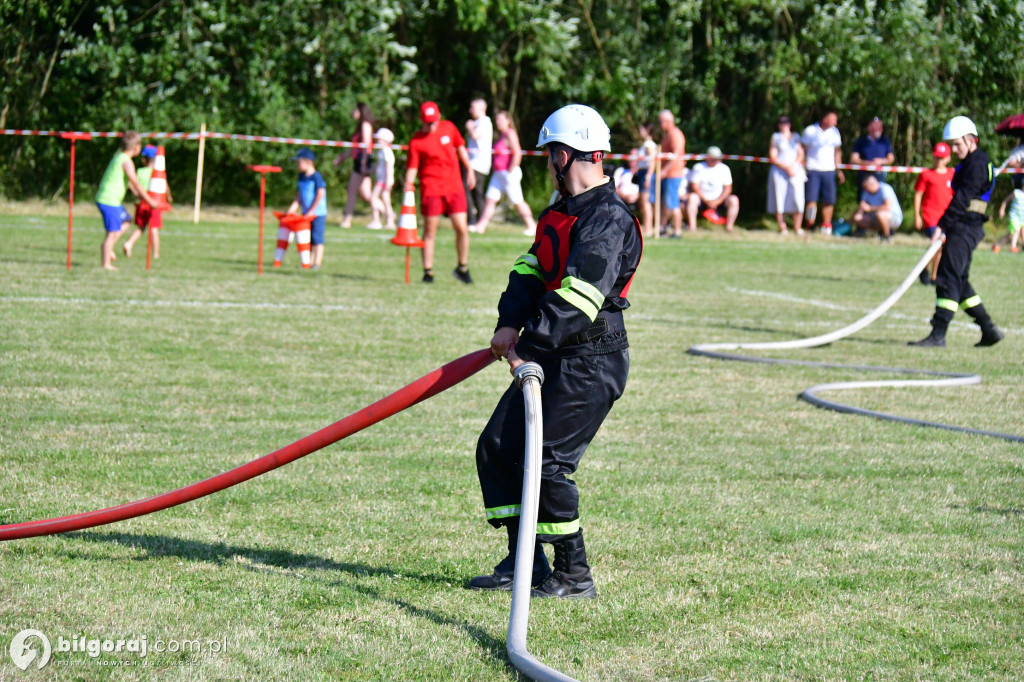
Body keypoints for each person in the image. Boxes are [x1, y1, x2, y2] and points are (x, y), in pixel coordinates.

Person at [470, 104, 642, 599]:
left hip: (591, 358)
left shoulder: (608, 220)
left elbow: (579, 298)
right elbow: (530, 270)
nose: (548, 165)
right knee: (500, 448)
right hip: (551, 352)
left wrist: (526, 344)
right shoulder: (560, 212)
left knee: (548, 462)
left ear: (565, 155)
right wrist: (508, 321)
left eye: (550, 156)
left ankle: (574, 573)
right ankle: (526, 562)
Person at [909, 116, 1003, 348]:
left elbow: (962, 199)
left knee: (947, 277)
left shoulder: (978, 164)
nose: (954, 149)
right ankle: (988, 329)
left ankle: (938, 333)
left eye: (957, 144)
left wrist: (942, 225)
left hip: (966, 226)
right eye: (952, 145)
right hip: (963, 224)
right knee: (959, 281)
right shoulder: (971, 162)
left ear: (972, 140)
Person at [404, 100, 476, 284]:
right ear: (422, 121)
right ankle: (428, 272)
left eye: (434, 121)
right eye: (428, 122)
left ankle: (462, 267)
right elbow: (412, 167)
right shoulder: (416, 141)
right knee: (430, 231)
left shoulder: (449, 128)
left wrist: (470, 170)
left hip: (454, 186)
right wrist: (408, 184)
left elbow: (461, 148)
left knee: (461, 228)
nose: (432, 125)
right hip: (431, 188)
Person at [95, 131, 158, 270]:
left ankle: (109, 247)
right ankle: (106, 263)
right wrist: (150, 201)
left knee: (126, 221)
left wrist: (139, 195)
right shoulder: (126, 162)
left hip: (111, 200)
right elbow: (135, 181)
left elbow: (129, 183)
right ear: (136, 147)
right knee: (111, 232)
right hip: (108, 200)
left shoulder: (119, 157)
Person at [471, 110, 537, 236]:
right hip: (498, 174)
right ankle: (481, 226)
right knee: (490, 199)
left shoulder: (510, 134)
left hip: (508, 174)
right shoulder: (501, 135)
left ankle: (531, 225)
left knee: (517, 201)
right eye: (497, 120)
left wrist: (511, 170)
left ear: (508, 120)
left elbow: (517, 152)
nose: (498, 122)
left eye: (501, 119)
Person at [913, 142, 955, 283]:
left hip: (946, 216)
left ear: (948, 158)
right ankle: (929, 272)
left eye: (942, 158)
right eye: (937, 157)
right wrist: (917, 215)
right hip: (930, 216)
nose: (939, 161)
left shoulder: (952, 174)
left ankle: (932, 274)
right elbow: (918, 194)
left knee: (941, 247)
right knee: (937, 244)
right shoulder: (926, 174)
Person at [122, 145, 171, 259]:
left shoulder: (139, 171)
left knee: (141, 227)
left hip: (141, 204)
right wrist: (168, 196)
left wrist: (136, 193)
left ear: (144, 159)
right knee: (153, 228)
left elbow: (132, 183)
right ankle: (156, 254)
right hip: (154, 204)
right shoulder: (158, 172)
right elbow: (164, 185)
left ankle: (129, 243)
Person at [802, 109, 845, 235]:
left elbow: (837, 151)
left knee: (829, 199)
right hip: (813, 169)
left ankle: (826, 226)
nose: (835, 122)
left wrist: (839, 170)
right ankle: (809, 224)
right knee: (812, 199)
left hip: (829, 170)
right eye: (833, 119)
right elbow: (802, 150)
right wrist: (802, 167)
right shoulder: (810, 131)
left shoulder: (835, 132)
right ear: (824, 119)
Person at [335, 102, 375, 228]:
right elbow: (354, 147)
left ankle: (347, 220)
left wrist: (363, 163)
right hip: (359, 160)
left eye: (355, 110)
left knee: (351, 190)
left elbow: (366, 146)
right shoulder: (360, 126)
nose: (353, 113)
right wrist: (342, 158)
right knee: (366, 193)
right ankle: (388, 214)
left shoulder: (365, 125)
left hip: (363, 160)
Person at [686, 147, 739, 232]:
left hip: (719, 200)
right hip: (702, 200)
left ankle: (729, 227)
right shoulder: (699, 167)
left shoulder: (724, 168)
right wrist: (706, 201)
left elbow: (728, 188)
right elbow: (695, 187)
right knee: (692, 198)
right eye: (715, 158)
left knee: (734, 199)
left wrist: (717, 201)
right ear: (708, 157)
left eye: (719, 158)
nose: (718, 161)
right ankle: (692, 227)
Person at [767, 115, 805, 234]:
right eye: (781, 123)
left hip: (795, 170)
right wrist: (786, 167)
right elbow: (773, 156)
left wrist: (793, 166)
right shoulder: (776, 137)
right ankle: (782, 227)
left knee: (798, 199)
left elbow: (800, 154)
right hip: (780, 171)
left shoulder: (796, 136)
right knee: (780, 198)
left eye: (786, 122)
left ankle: (797, 227)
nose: (784, 125)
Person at [651, 109, 686, 236]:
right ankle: (662, 228)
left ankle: (677, 231)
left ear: (667, 121)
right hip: (667, 175)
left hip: (673, 175)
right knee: (665, 203)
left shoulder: (675, 135)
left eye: (660, 121)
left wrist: (664, 170)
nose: (659, 124)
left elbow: (676, 155)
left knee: (673, 203)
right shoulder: (668, 135)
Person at [464, 98, 493, 229]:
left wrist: (470, 127)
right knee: (475, 193)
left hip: (478, 164)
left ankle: (473, 221)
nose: (470, 110)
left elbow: (476, 136)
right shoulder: (480, 122)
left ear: (481, 109)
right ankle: (479, 220)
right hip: (474, 163)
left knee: (470, 191)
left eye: (473, 108)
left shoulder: (485, 122)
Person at [850, 175, 902, 239]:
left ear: (872, 184)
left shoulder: (885, 189)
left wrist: (870, 208)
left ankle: (886, 236)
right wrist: (850, 220)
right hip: (876, 216)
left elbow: (887, 207)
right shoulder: (866, 192)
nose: (865, 189)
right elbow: (862, 206)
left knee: (880, 214)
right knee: (857, 218)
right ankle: (879, 232)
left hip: (894, 217)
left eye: (866, 187)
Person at [850, 116, 895, 189]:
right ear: (869, 128)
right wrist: (868, 164)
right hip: (864, 175)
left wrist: (881, 161)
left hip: (880, 175)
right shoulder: (861, 141)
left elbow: (891, 158)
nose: (879, 129)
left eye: (880, 127)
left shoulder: (885, 141)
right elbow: (853, 159)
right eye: (877, 127)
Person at [368, 128, 396, 230]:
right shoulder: (381, 151)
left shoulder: (387, 151)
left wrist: (388, 180)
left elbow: (389, 167)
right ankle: (385, 219)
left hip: (384, 180)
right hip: (381, 179)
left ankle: (382, 219)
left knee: (375, 198)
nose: (377, 141)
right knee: (383, 200)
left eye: (379, 139)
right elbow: (379, 164)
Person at [635, 122, 658, 236]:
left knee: (646, 202)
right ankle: (648, 227)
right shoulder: (646, 144)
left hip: (646, 173)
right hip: (643, 173)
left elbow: (652, 161)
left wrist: (648, 176)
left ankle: (648, 229)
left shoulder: (648, 144)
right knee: (644, 202)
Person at [996, 171, 1024, 253]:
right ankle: (1013, 248)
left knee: (1011, 235)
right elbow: (1005, 201)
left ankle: (997, 246)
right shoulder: (1017, 193)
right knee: (1016, 231)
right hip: (1014, 217)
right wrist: (1002, 210)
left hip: (1022, 218)